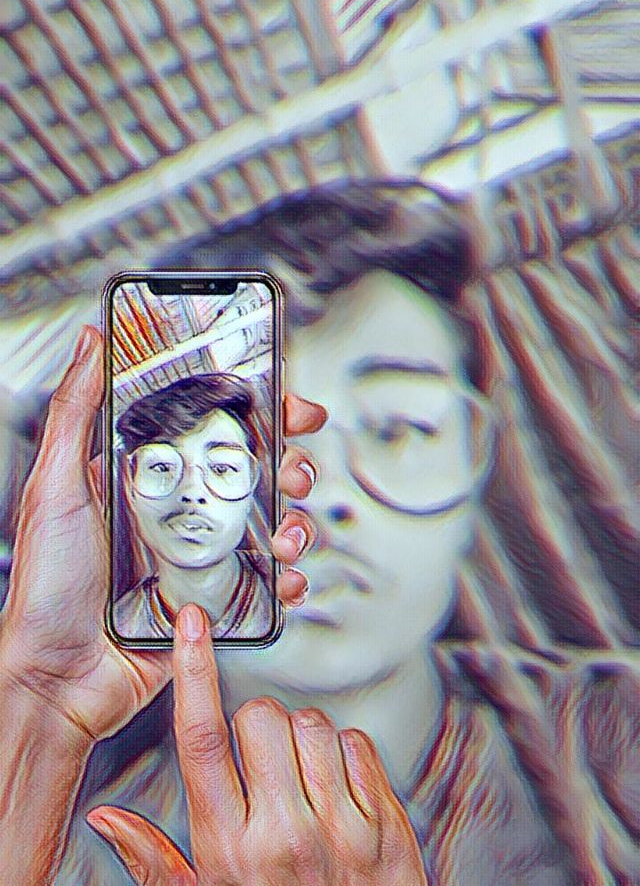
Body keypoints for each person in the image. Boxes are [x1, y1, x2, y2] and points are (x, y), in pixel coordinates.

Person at [2, 181, 639, 884]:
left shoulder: (617, 741)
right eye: (243, 447)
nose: (324, 499)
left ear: (474, 459)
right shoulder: (77, 855)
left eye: (396, 428)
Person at [113, 373, 275, 640]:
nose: (191, 492)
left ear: (251, 483)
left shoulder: (297, 597)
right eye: (162, 467)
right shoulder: (110, 634)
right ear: (131, 485)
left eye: (221, 468)